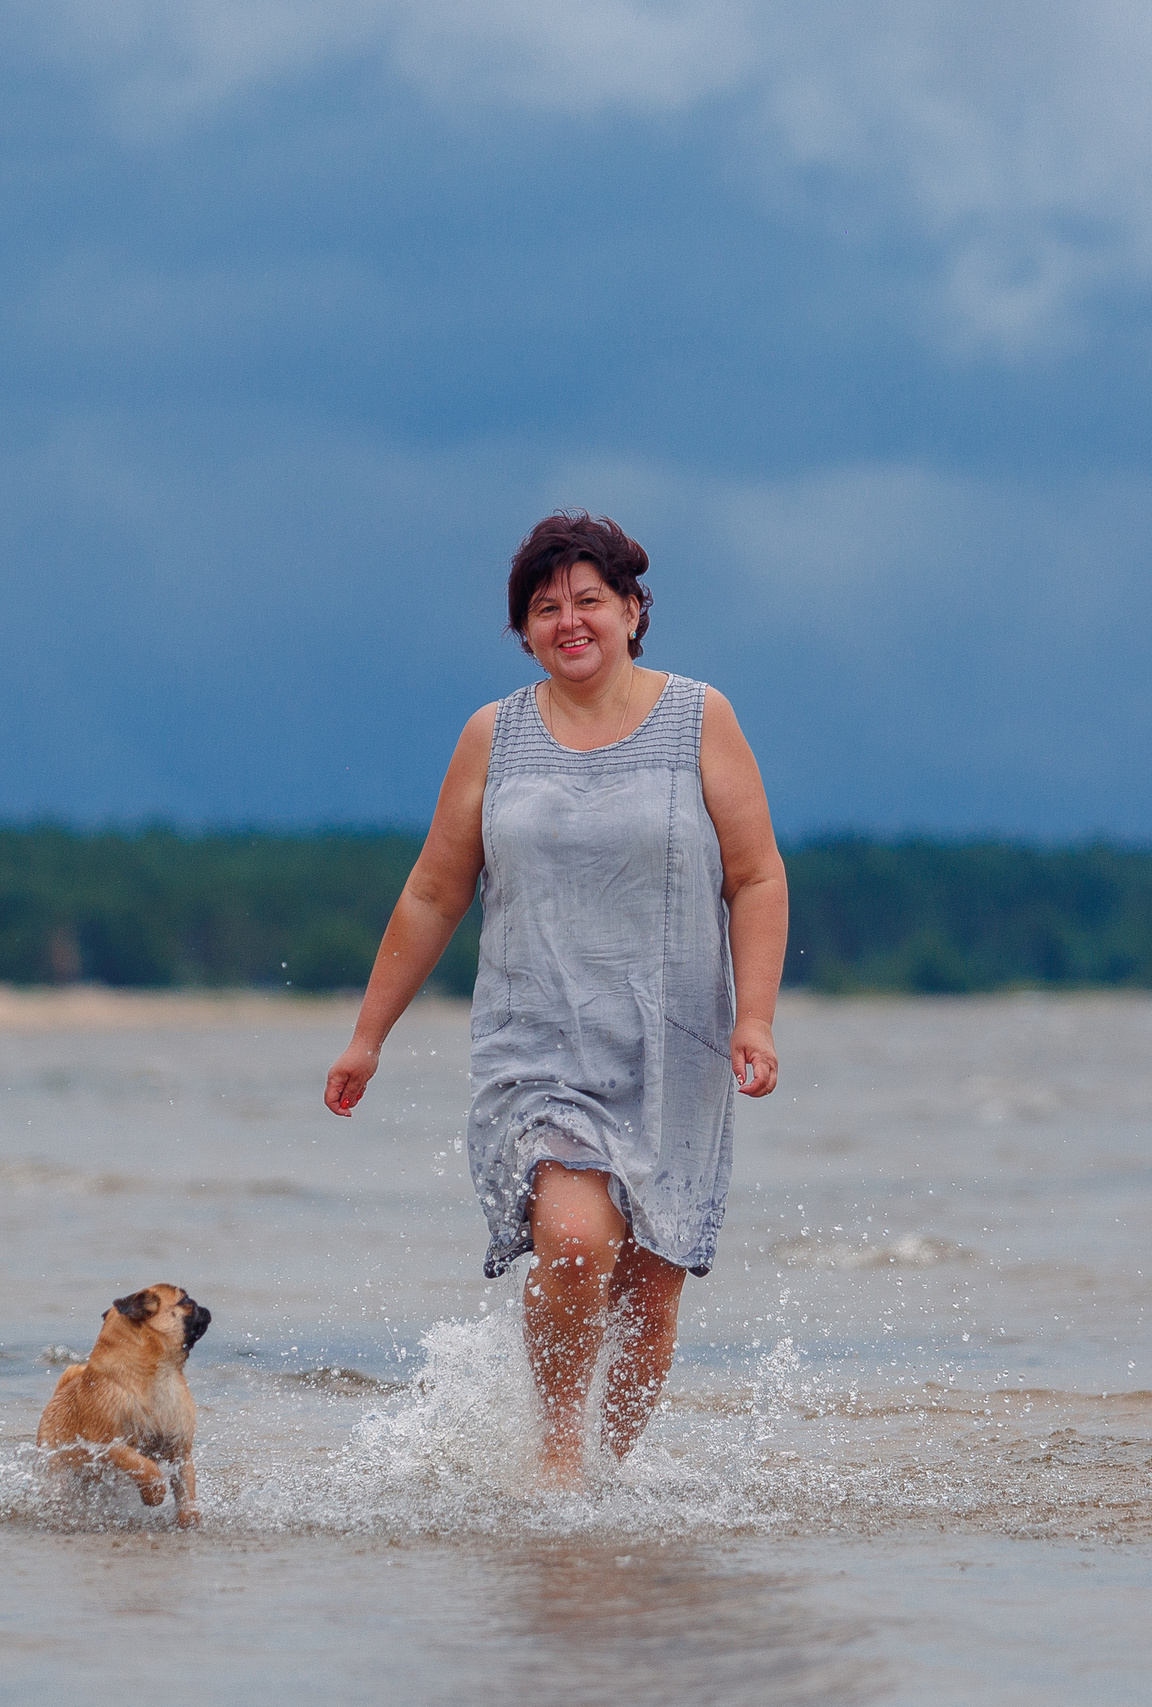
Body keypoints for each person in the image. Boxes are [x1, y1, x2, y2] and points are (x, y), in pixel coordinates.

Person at [323, 511, 787, 1487]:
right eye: (544, 608)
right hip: (536, 1041)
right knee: (573, 1246)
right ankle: (554, 1458)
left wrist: (755, 1017)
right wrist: (368, 1036)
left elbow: (755, 876)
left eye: (587, 601)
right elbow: (433, 891)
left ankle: (608, 1484)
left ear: (630, 609)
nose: (567, 621)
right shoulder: (494, 735)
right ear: (523, 630)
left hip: (674, 1045)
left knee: (649, 1290)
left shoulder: (700, 717)